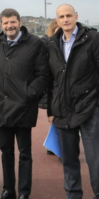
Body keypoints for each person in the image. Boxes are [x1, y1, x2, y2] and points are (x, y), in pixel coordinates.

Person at [47, 4, 99, 199]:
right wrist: (50, 108)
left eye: (68, 15)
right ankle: (73, 198)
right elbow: (50, 79)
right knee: (68, 159)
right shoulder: (52, 43)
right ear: (56, 21)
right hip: (63, 110)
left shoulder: (92, 39)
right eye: (61, 17)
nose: (65, 19)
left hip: (88, 108)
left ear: (76, 17)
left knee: (96, 160)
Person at [0, 8, 49, 199]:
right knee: (5, 152)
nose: (9, 26)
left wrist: (28, 95)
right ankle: (8, 190)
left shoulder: (35, 44)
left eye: (13, 22)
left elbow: (43, 75)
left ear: (20, 22)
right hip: (1, 108)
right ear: (1, 24)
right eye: (6, 23)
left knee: (24, 153)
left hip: (24, 108)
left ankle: (24, 193)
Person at [39, 19, 59, 156]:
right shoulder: (47, 45)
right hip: (53, 86)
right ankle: (54, 144)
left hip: (56, 86)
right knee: (55, 117)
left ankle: (54, 144)